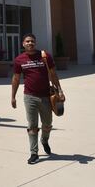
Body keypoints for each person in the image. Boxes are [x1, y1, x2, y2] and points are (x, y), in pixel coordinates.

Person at [11, 33, 64, 164]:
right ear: (23, 44)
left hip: (46, 96)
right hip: (30, 97)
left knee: (47, 124)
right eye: (27, 41)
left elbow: (53, 74)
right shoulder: (19, 60)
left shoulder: (44, 56)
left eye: (32, 41)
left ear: (35, 43)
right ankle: (34, 153)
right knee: (32, 125)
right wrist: (13, 96)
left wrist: (60, 90)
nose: (30, 43)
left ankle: (44, 140)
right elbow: (16, 78)